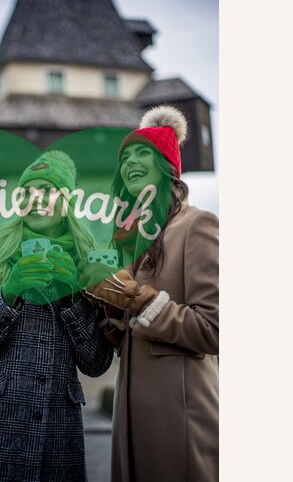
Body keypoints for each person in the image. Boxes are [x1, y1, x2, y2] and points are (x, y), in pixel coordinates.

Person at [0, 150, 115, 482]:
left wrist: (72, 299)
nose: (35, 199)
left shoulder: (91, 263)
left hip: (59, 433)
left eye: (48, 190)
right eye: (26, 192)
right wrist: (9, 292)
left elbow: (97, 363)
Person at [81, 106, 219, 482]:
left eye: (142, 154)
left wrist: (137, 299)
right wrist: (105, 307)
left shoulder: (198, 225)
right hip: (131, 416)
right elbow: (129, 337)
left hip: (181, 414)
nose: (130, 163)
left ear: (167, 167)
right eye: (125, 157)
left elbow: (214, 329)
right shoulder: (132, 242)